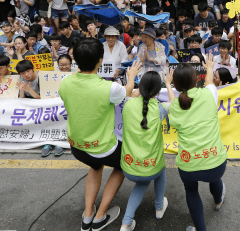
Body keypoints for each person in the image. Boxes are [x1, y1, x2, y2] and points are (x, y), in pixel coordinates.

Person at [59, 38, 142, 231]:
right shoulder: (110, 88)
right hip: (102, 147)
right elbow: (126, 93)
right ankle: (100, 216)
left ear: (75, 61)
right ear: (100, 60)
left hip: (76, 145)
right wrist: (131, 77)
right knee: (122, 164)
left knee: (95, 166)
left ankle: (87, 215)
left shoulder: (65, 82)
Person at [169, 55, 227, 231]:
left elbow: (174, 102)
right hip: (216, 161)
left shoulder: (174, 106)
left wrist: (167, 84)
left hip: (188, 165)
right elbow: (210, 82)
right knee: (215, 179)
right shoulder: (209, 94)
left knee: (191, 191)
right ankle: (218, 202)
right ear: (196, 80)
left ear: (176, 84)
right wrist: (209, 67)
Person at [119, 69, 175, 230]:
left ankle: (129, 221)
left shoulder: (128, 104)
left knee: (144, 181)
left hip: (128, 166)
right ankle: (157, 209)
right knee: (159, 170)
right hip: (151, 167)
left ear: (140, 88)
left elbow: (131, 95)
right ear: (158, 91)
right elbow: (173, 101)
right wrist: (168, 84)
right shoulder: (160, 109)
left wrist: (135, 80)